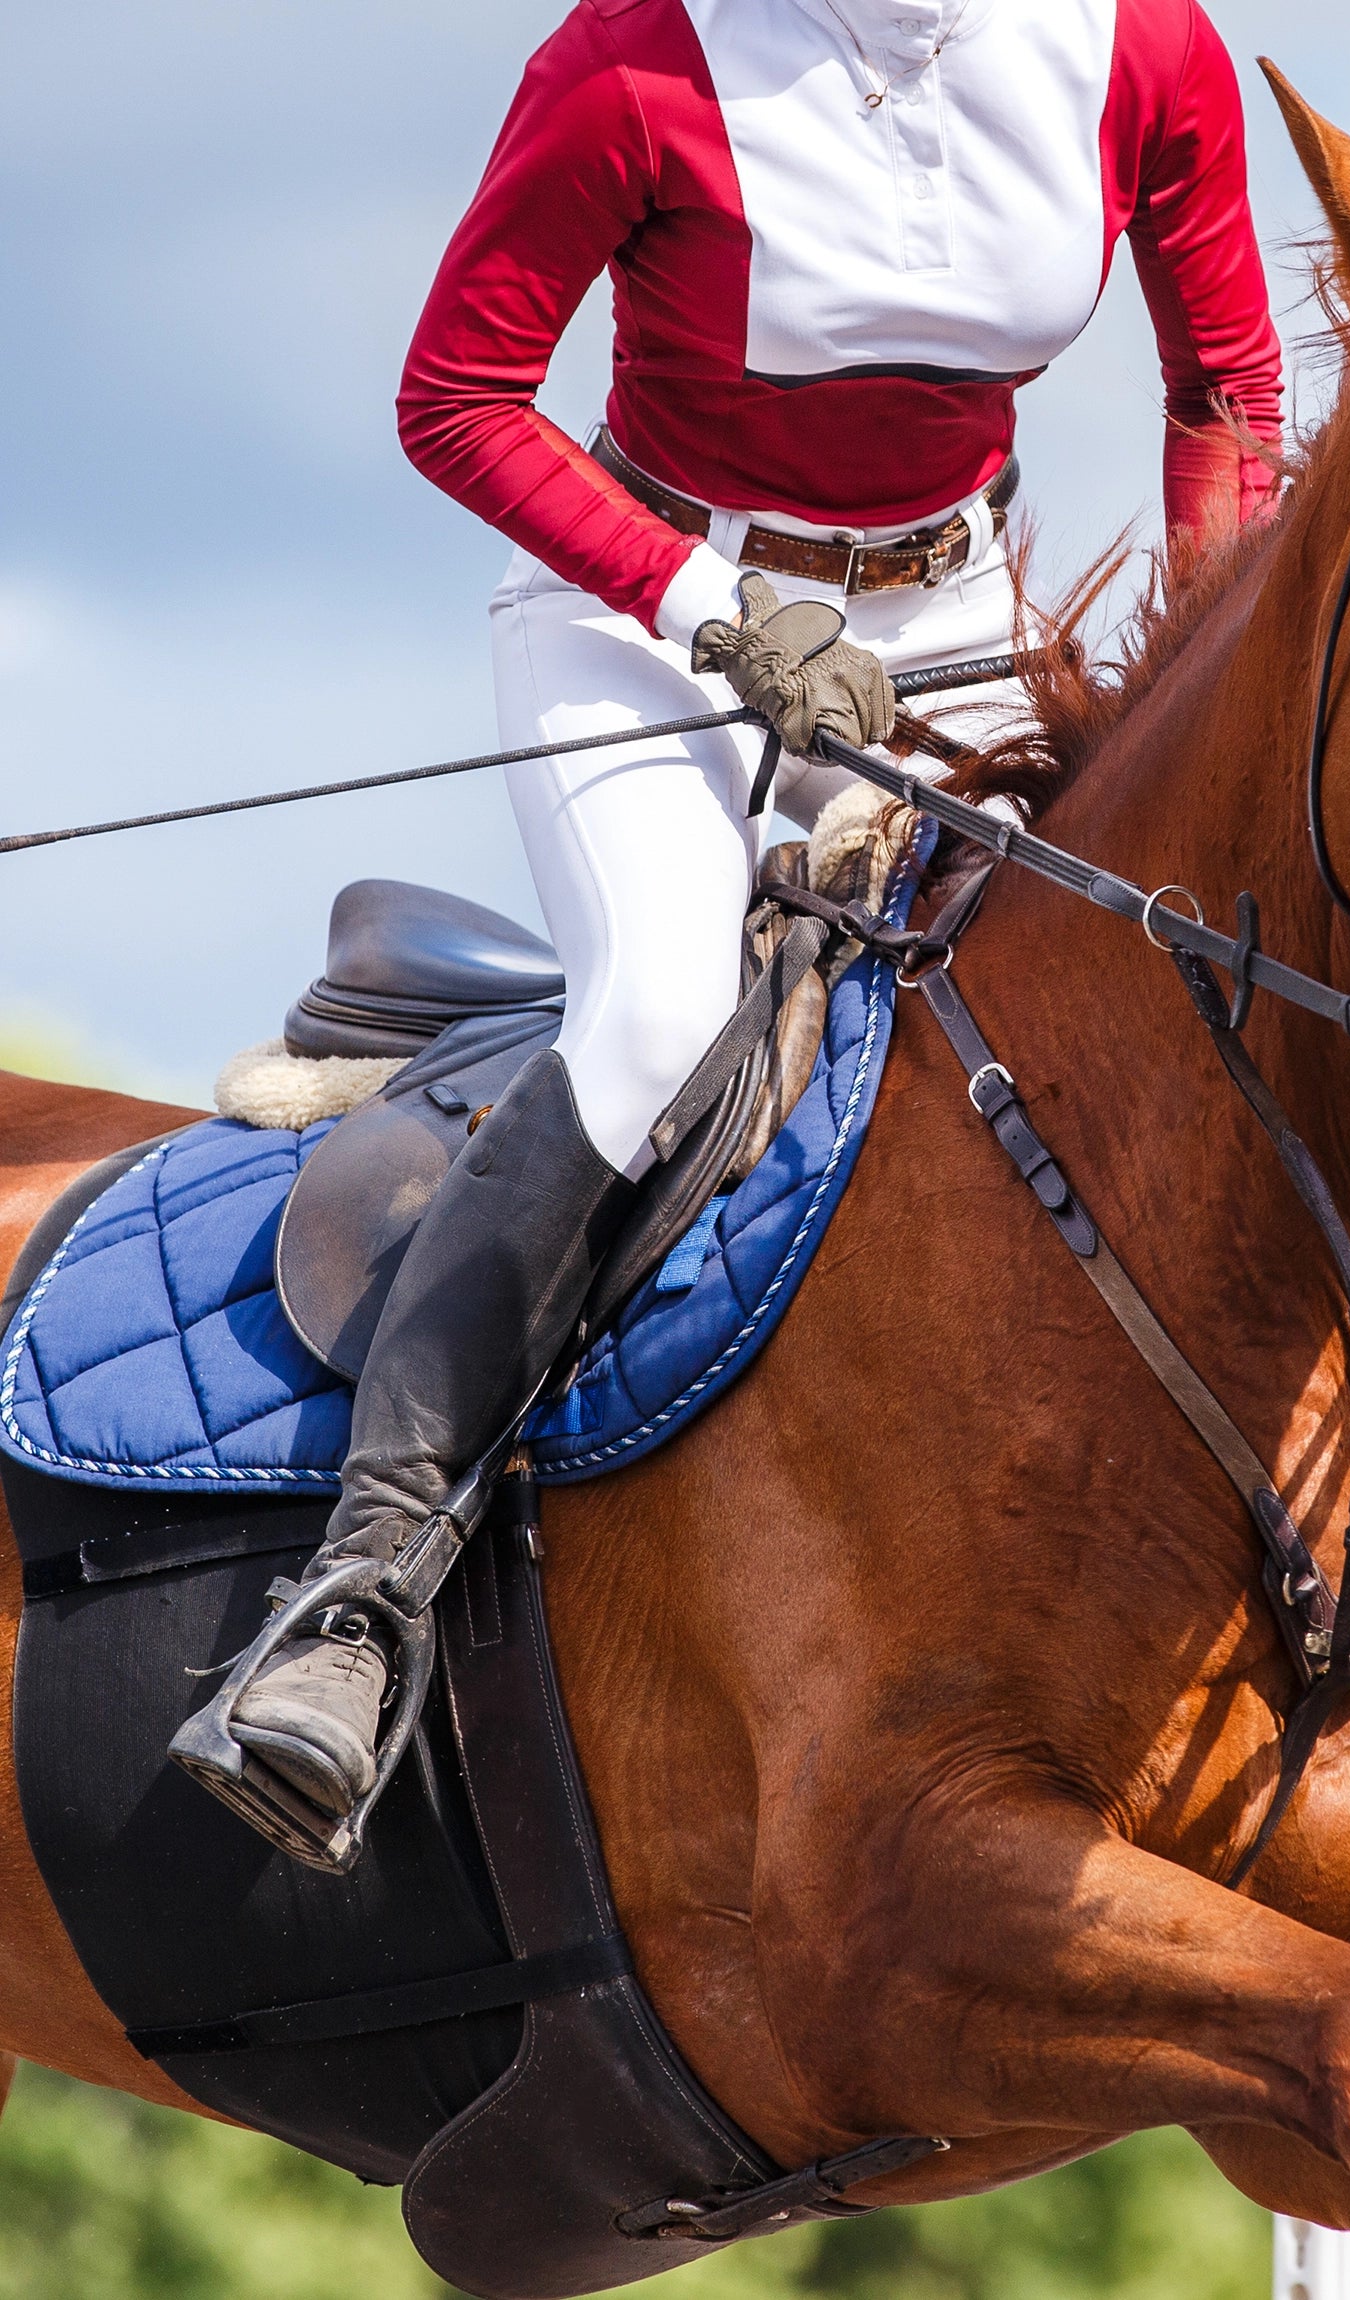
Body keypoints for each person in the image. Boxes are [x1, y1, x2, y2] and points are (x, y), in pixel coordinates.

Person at [177, 0, 1283, 1861]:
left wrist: (1203, 658)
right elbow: (454, 397)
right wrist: (713, 610)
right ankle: (362, 1596)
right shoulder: (633, 57)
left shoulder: (1146, 50)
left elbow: (1227, 389)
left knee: (1100, 1032)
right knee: (666, 1023)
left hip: (958, 617)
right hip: (638, 612)